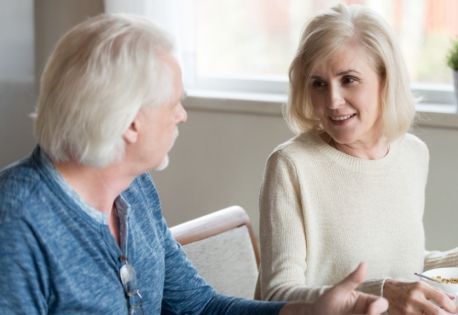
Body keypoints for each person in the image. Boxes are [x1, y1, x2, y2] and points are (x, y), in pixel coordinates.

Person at [0, 13, 389, 315]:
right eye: (174, 103)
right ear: (130, 123)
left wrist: (310, 311)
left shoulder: (135, 189)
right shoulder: (16, 221)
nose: (182, 115)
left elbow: (199, 307)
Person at [257, 4, 458, 315]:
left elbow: (395, 260)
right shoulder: (291, 166)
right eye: (318, 83)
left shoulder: (413, 154)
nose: (332, 101)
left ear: (386, 79)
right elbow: (276, 297)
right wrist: (379, 293)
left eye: (349, 80)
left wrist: (456, 260)